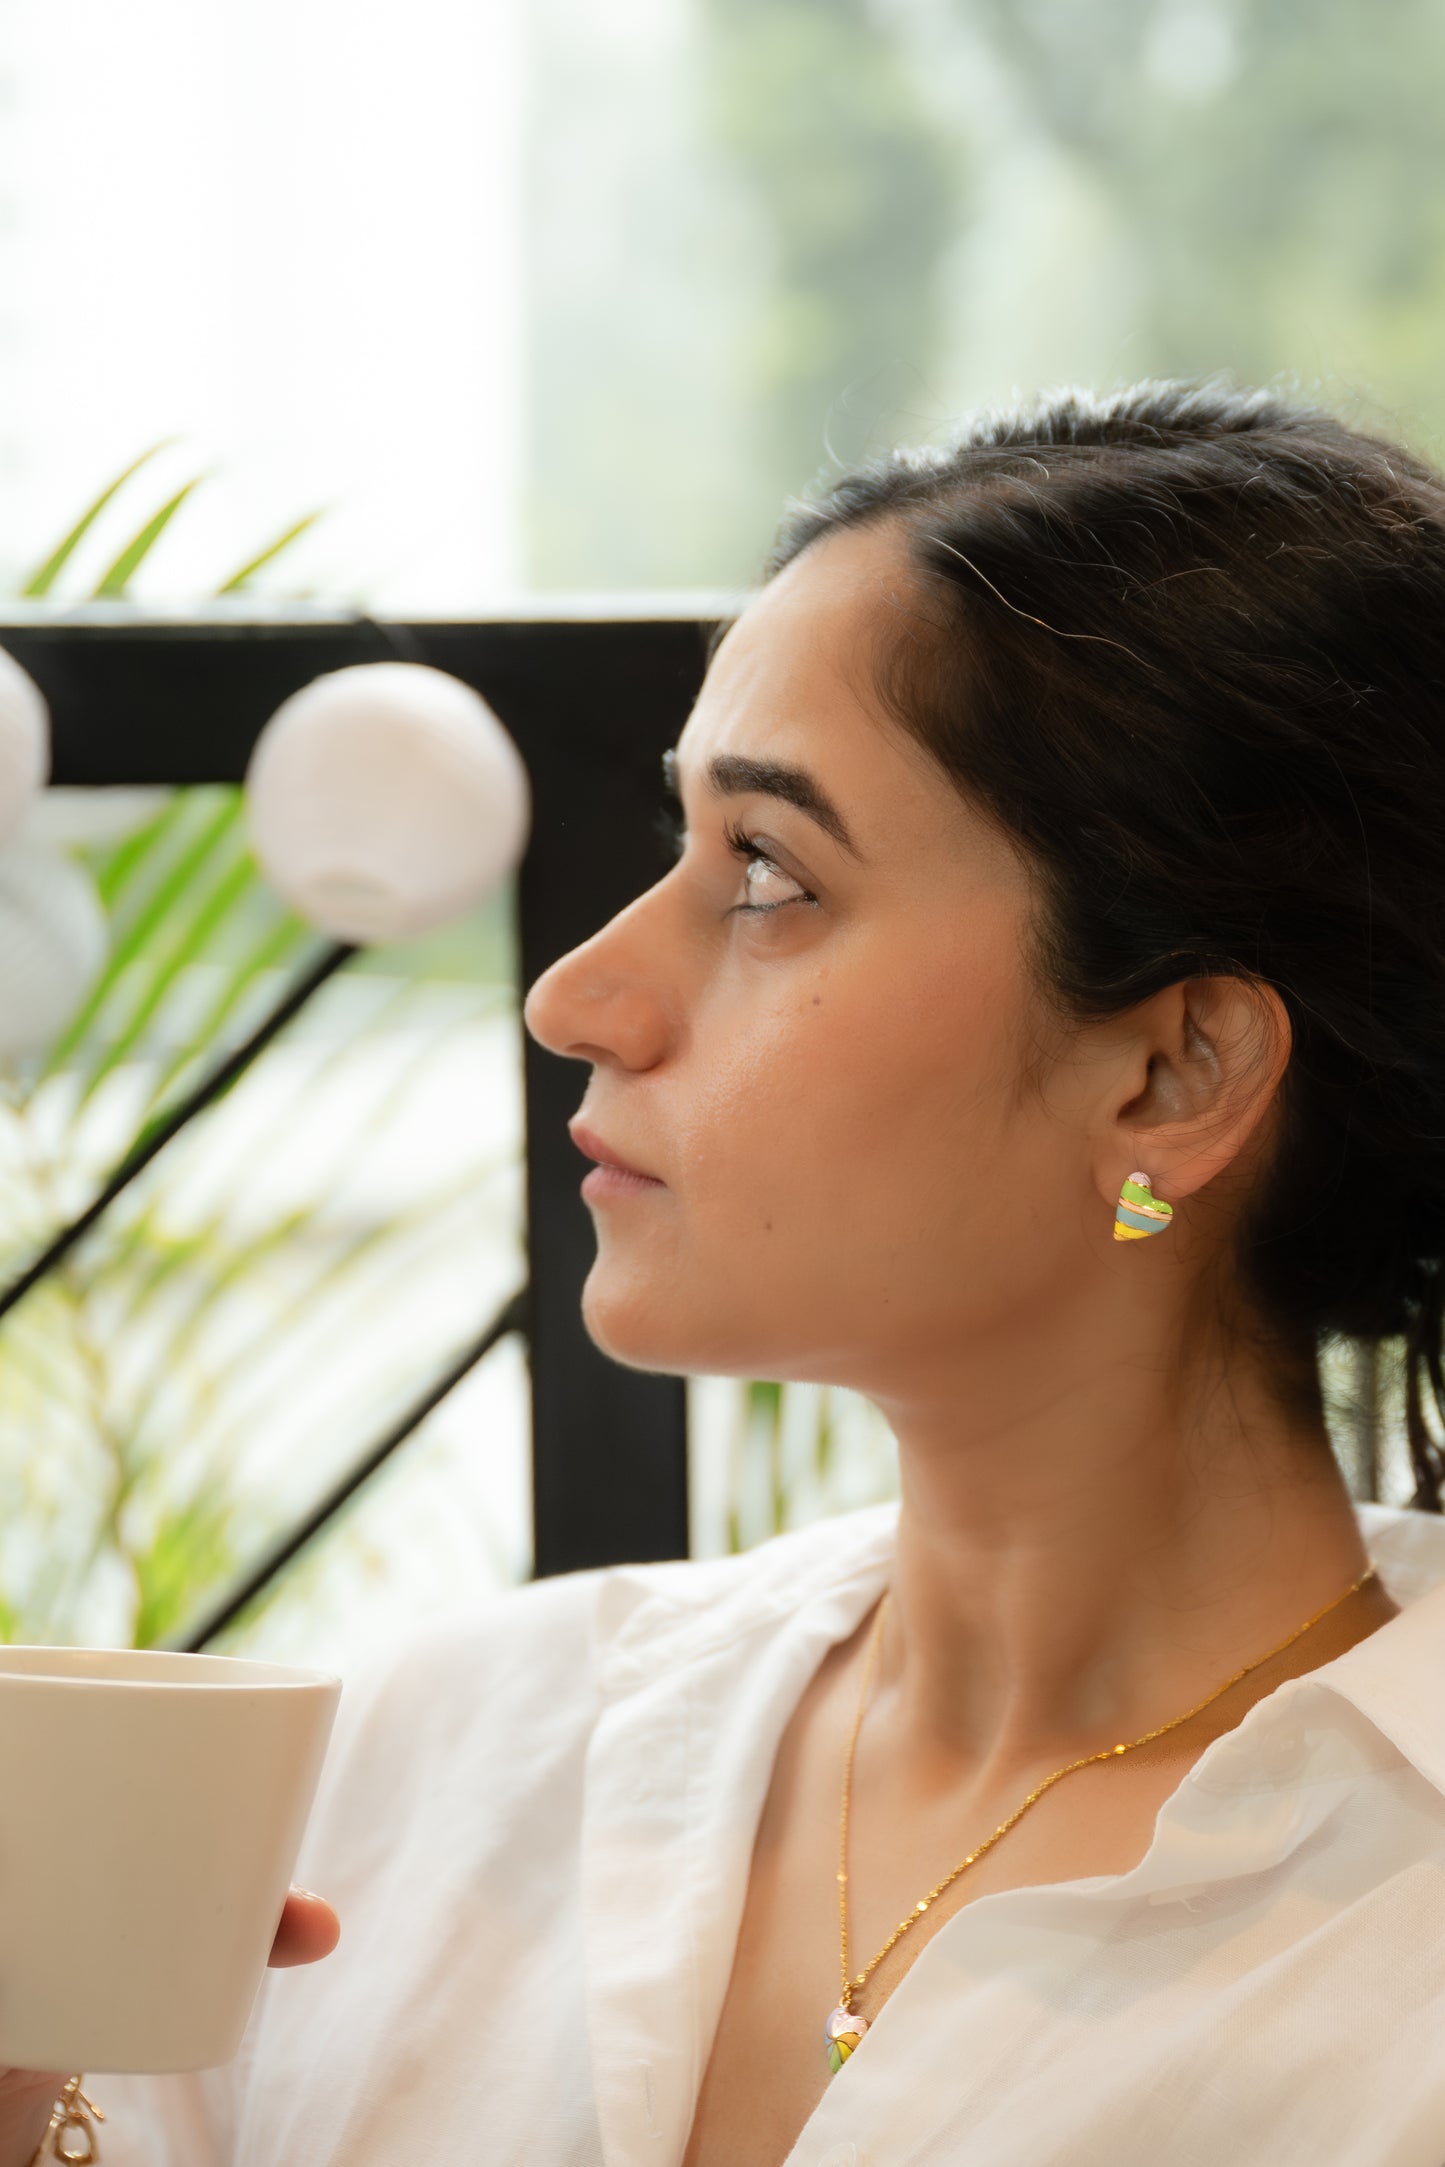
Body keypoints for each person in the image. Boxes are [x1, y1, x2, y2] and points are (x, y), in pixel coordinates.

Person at [15, 374, 1445, 2166]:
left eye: (765, 873)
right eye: (673, 842)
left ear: (1172, 1073)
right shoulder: (429, 1765)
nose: (574, 996)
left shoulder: (1402, 1950)